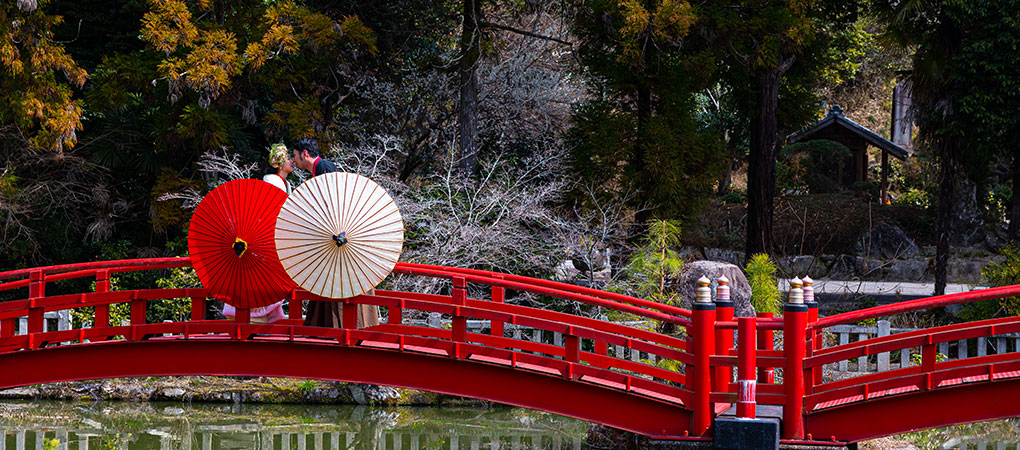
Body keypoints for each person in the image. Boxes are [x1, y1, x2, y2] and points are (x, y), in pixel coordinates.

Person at [290, 138, 380, 329]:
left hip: (340, 233)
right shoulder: (319, 169)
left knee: (340, 281)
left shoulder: (324, 167)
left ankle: (344, 326)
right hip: (332, 235)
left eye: (295, 155)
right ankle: (326, 325)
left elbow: (335, 201)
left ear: (305, 153)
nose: (294, 160)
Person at [222, 143, 293, 323]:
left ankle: (264, 315)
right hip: (267, 233)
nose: (291, 161)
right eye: (287, 158)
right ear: (279, 164)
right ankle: (257, 315)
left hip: (276, 232)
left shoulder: (283, 182)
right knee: (262, 275)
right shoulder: (272, 181)